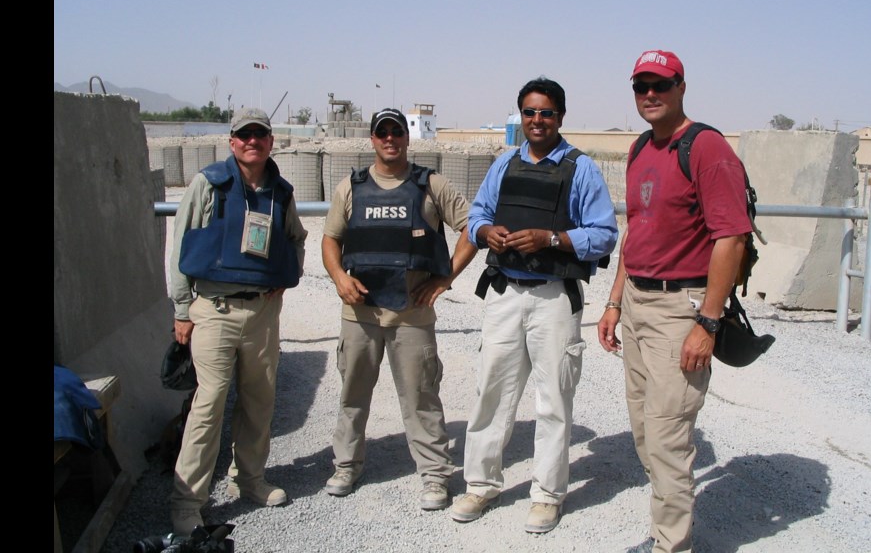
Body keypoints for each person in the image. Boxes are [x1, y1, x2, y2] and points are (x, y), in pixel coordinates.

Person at [597, 50, 754, 553]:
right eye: (641, 85)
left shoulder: (706, 148)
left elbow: (731, 238)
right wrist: (615, 302)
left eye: (660, 85)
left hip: (679, 309)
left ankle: (671, 544)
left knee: (667, 435)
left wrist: (706, 323)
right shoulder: (641, 147)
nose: (649, 94)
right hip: (639, 302)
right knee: (645, 428)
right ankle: (668, 524)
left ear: (682, 87)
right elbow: (636, 232)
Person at [451, 77, 618, 533]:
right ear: (520, 116)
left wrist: (553, 238)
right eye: (529, 112)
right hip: (505, 295)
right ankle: (480, 485)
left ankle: (546, 495)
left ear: (560, 117)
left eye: (546, 113)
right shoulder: (504, 165)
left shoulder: (581, 169)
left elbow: (604, 233)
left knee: (553, 403)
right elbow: (478, 216)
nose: (537, 121)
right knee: (492, 395)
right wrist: (488, 233)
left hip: (553, 301)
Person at [321, 107, 477, 510]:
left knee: (421, 394)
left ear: (407, 138)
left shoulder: (430, 185)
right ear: (373, 139)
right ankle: (346, 466)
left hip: (411, 311)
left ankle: (435, 476)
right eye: (382, 132)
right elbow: (330, 240)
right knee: (352, 393)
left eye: (396, 132)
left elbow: (473, 228)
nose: (389, 138)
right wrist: (339, 277)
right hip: (361, 312)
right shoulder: (350, 187)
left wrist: (445, 279)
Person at [168, 107, 307, 536]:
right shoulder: (208, 184)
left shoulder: (280, 192)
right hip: (213, 309)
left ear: (270, 142)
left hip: (262, 313)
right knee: (208, 405)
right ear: (232, 142)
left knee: (259, 399)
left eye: (260, 136)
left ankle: (249, 479)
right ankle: (188, 501)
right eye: (244, 136)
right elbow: (181, 243)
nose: (252, 142)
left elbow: (296, 239)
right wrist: (181, 309)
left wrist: (286, 279)